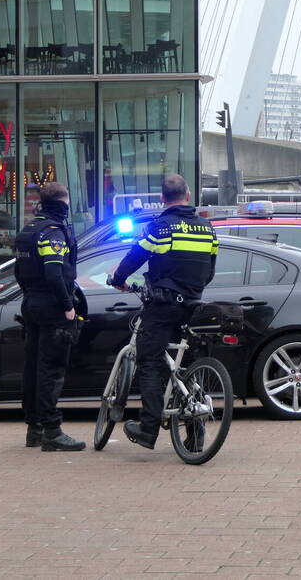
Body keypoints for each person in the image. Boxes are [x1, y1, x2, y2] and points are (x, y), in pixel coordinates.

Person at [110, 174, 218, 450]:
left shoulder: (160, 227)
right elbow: (210, 271)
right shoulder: (207, 228)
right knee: (189, 369)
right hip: (194, 305)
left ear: (162, 199)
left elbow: (135, 256)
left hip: (163, 304)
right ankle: (195, 438)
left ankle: (148, 429)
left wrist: (118, 278)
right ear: (189, 195)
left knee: (150, 361)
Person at [13, 182, 85, 452]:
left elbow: (20, 272)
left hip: (31, 302)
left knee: (33, 367)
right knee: (51, 370)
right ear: (62, 203)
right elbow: (54, 273)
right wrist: (68, 307)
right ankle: (52, 432)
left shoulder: (28, 230)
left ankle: (35, 428)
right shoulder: (53, 232)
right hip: (52, 306)